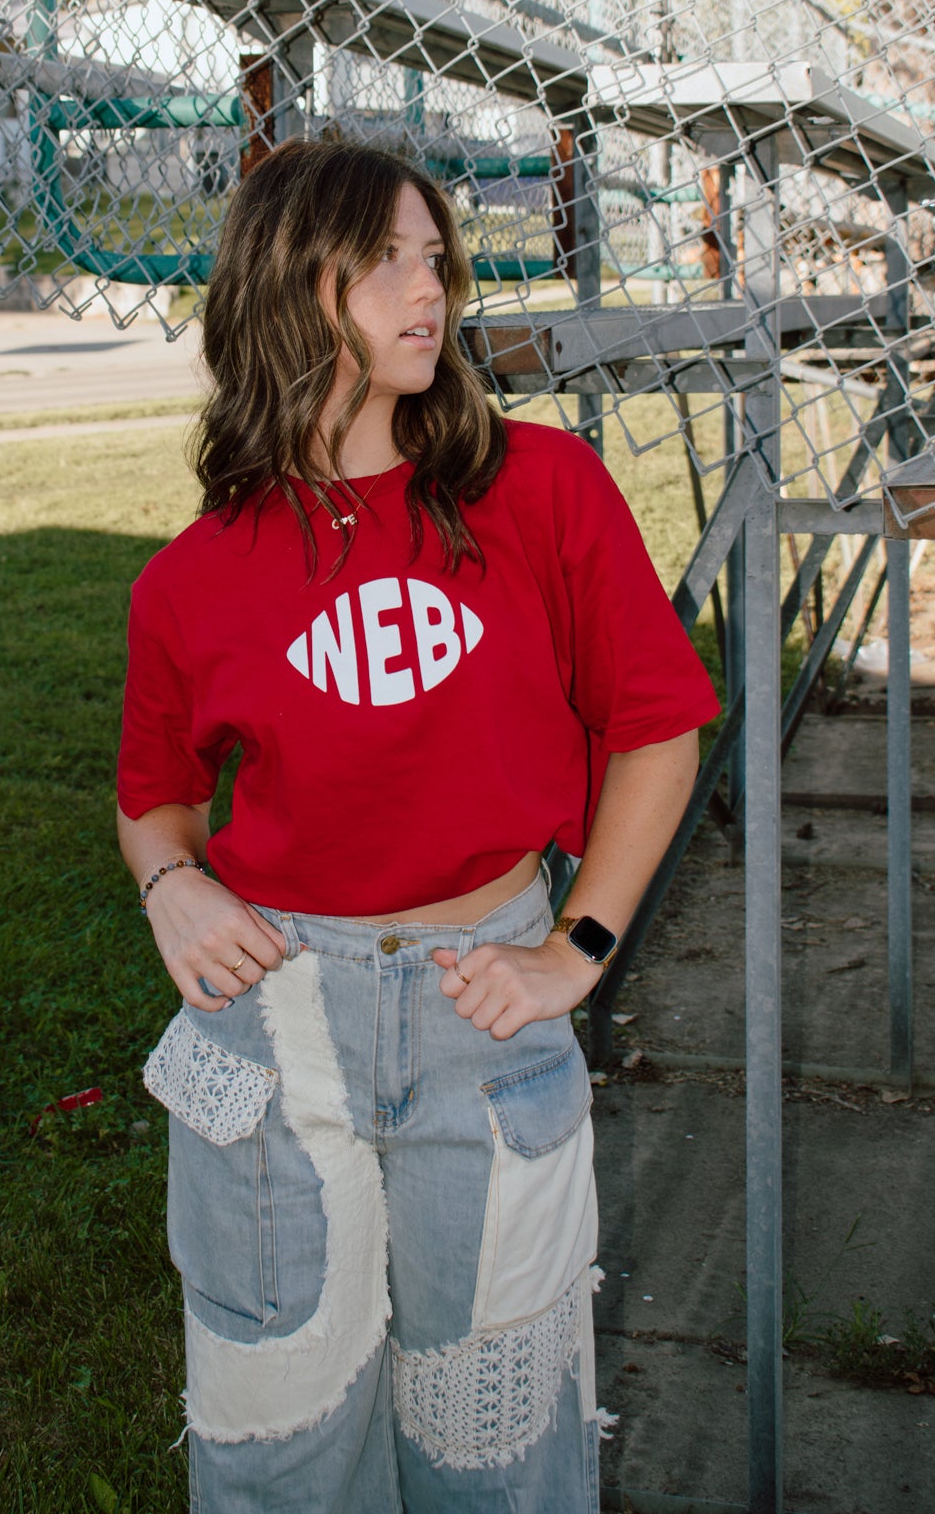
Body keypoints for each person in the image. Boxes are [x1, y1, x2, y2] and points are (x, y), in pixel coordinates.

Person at [117, 137, 719, 1513]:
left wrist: (578, 948)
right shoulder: (192, 580)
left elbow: (656, 730)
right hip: (275, 1029)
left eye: (432, 256)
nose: (426, 287)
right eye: (381, 257)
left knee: (500, 1457)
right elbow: (154, 791)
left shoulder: (538, 492)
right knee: (279, 1453)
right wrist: (171, 887)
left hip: (481, 1014)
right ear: (288, 286)